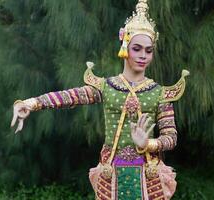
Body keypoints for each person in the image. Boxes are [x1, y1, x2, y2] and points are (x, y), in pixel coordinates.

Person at [10, 0, 189, 199]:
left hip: (148, 178)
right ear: (125, 46)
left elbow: (171, 137)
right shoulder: (107, 87)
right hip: (111, 175)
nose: (143, 56)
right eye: (137, 48)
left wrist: (149, 144)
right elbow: (70, 96)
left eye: (148, 51)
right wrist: (30, 103)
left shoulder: (160, 93)